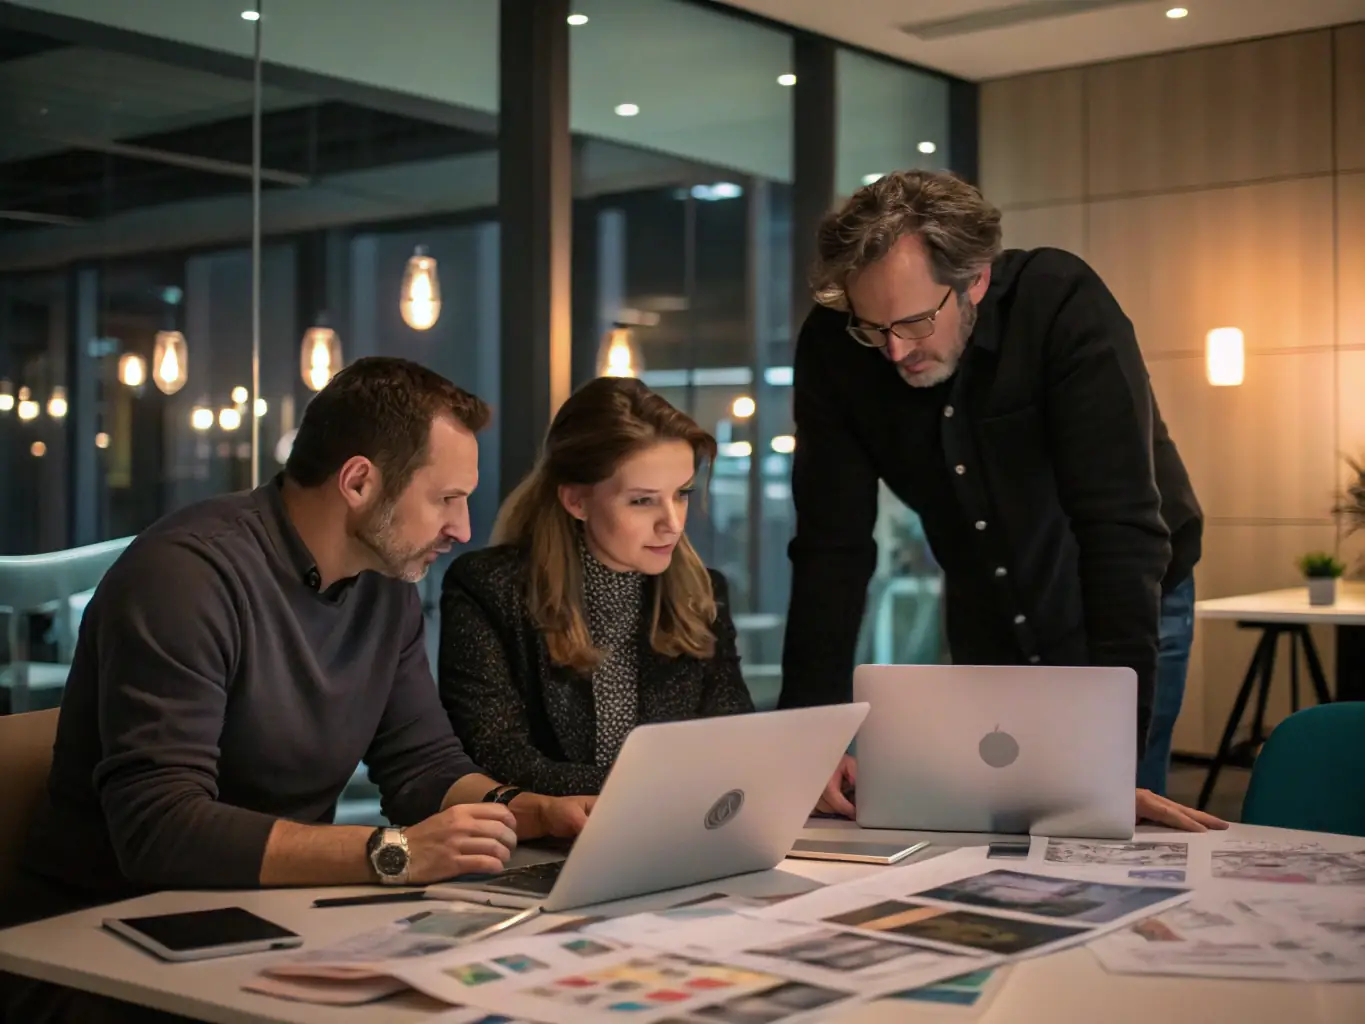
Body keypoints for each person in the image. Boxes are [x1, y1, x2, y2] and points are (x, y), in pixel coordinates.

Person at [1, 357, 594, 1023]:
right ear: (360, 481)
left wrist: (529, 811)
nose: (461, 529)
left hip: (266, 917)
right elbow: (160, 831)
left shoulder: (383, 584)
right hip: (106, 945)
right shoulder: (184, 578)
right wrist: (393, 853)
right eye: (445, 498)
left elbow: (420, 765)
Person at [779, 170, 1224, 832]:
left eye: (913, 321)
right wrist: (807, 744)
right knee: (986, 825)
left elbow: (1118, 530)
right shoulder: (835, 345)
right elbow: (830, 550)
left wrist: (1106, 762)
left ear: (975, 279)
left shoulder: (1060, 305)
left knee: (1101, 825)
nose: (894, 350)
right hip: (985, 601)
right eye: (873, 328)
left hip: (1120, 599)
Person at [439, 376, 754, 795]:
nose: (673, 523)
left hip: (677, 836)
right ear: (577, 501)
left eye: (681, 494)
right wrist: (660, 789)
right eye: (643, 500)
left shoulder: (703, 592)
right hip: (537, 846)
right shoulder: (489, 588)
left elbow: (733, 740)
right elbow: (498, 757)